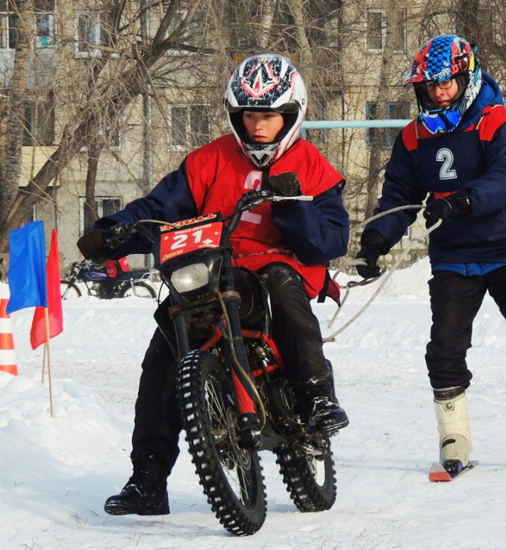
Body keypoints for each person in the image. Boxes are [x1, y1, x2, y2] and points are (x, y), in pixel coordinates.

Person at [77, 53, 350, 515]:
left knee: (282, 284)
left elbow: (331, 238)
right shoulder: (208, 159)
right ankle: (147, 478)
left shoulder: (310, 163)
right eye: (249, 115)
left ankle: (317, 395)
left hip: (276, 267)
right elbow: (158, 208)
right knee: (164, 350)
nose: (258, 126)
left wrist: (291, 204)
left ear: (290, 115)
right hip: (212, 267)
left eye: (269, 115)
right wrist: (113, 232)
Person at [355, 35, 506, 478]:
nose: (438, 93)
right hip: (453, 257)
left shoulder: (503, 123)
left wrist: (461, 200)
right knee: (444, 348)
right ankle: (453, 436)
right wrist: (374, 242)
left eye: (446, 84)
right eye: (429, 87)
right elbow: (399, 196)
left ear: (467, 77)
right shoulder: (414, 136)